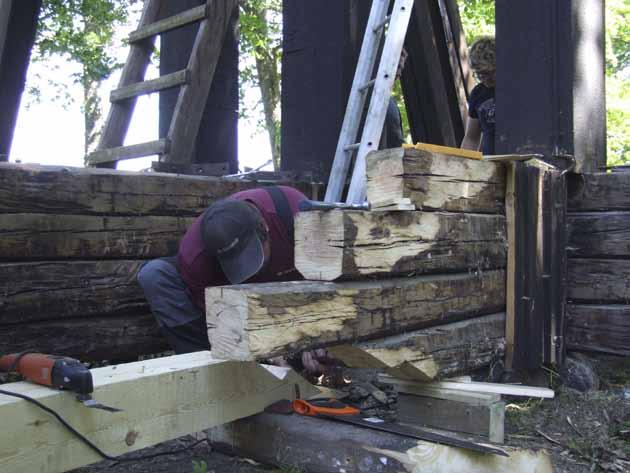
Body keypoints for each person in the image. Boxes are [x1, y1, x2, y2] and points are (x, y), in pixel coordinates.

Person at [138, 186, 307, 355]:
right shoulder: (196, 258)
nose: (251, 271)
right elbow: (219, 316)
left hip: (293, 297)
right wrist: (263, 346)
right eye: (237, 264)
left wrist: (308, 336)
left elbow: (326, 279)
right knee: (153, 275)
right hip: (239, 311)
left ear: (264, 227)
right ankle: (210, 365)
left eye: (253, 257)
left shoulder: (292, 211)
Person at [461, 36, 496, 155]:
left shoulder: (516, 88)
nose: (484, 79)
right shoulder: (478, 93)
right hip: (490, 162)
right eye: (479, 75)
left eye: (488, 73)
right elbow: (471, 138)